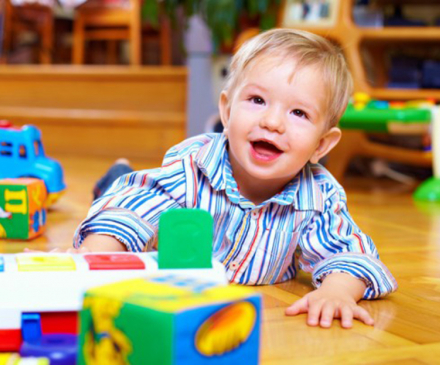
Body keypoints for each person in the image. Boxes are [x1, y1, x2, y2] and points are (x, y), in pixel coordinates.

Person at [72, 28, 397, 329]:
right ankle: (116, 175)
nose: (272, 122)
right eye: (257, 100)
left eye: (298, 113)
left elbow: (349, 253)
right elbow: (132, 211)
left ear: (322, 145)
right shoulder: (193, 166)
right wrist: (95, 253)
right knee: (119, 190)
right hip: (156, 245)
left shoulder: (319, 196)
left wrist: (338, 291)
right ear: (226, 112)